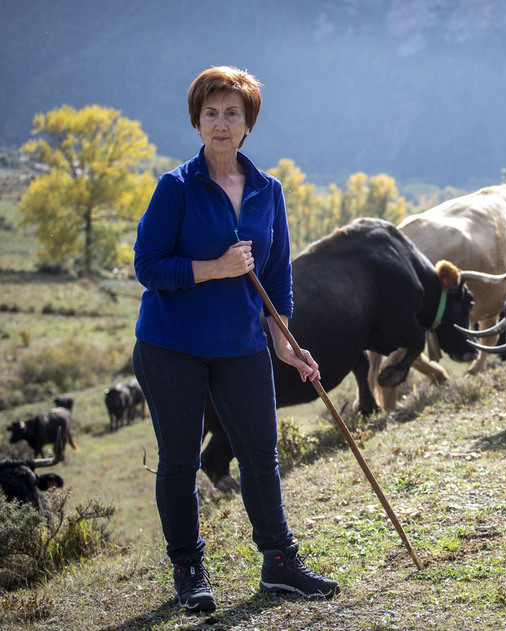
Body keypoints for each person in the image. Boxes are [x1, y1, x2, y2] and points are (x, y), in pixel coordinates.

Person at [132, 66, 340, 612]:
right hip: (171, 345)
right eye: (211, 113)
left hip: (242, 345)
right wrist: (215, 267)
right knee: (179, 460)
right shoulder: (176, 188)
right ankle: (189, 571)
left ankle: (279, 563)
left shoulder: (268, 192)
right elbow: (149, 266)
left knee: (260, 456)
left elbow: (275, 278)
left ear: (248, 124)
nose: (221, 124)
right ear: (197, 122)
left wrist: (284, 341)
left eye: (232, 113)